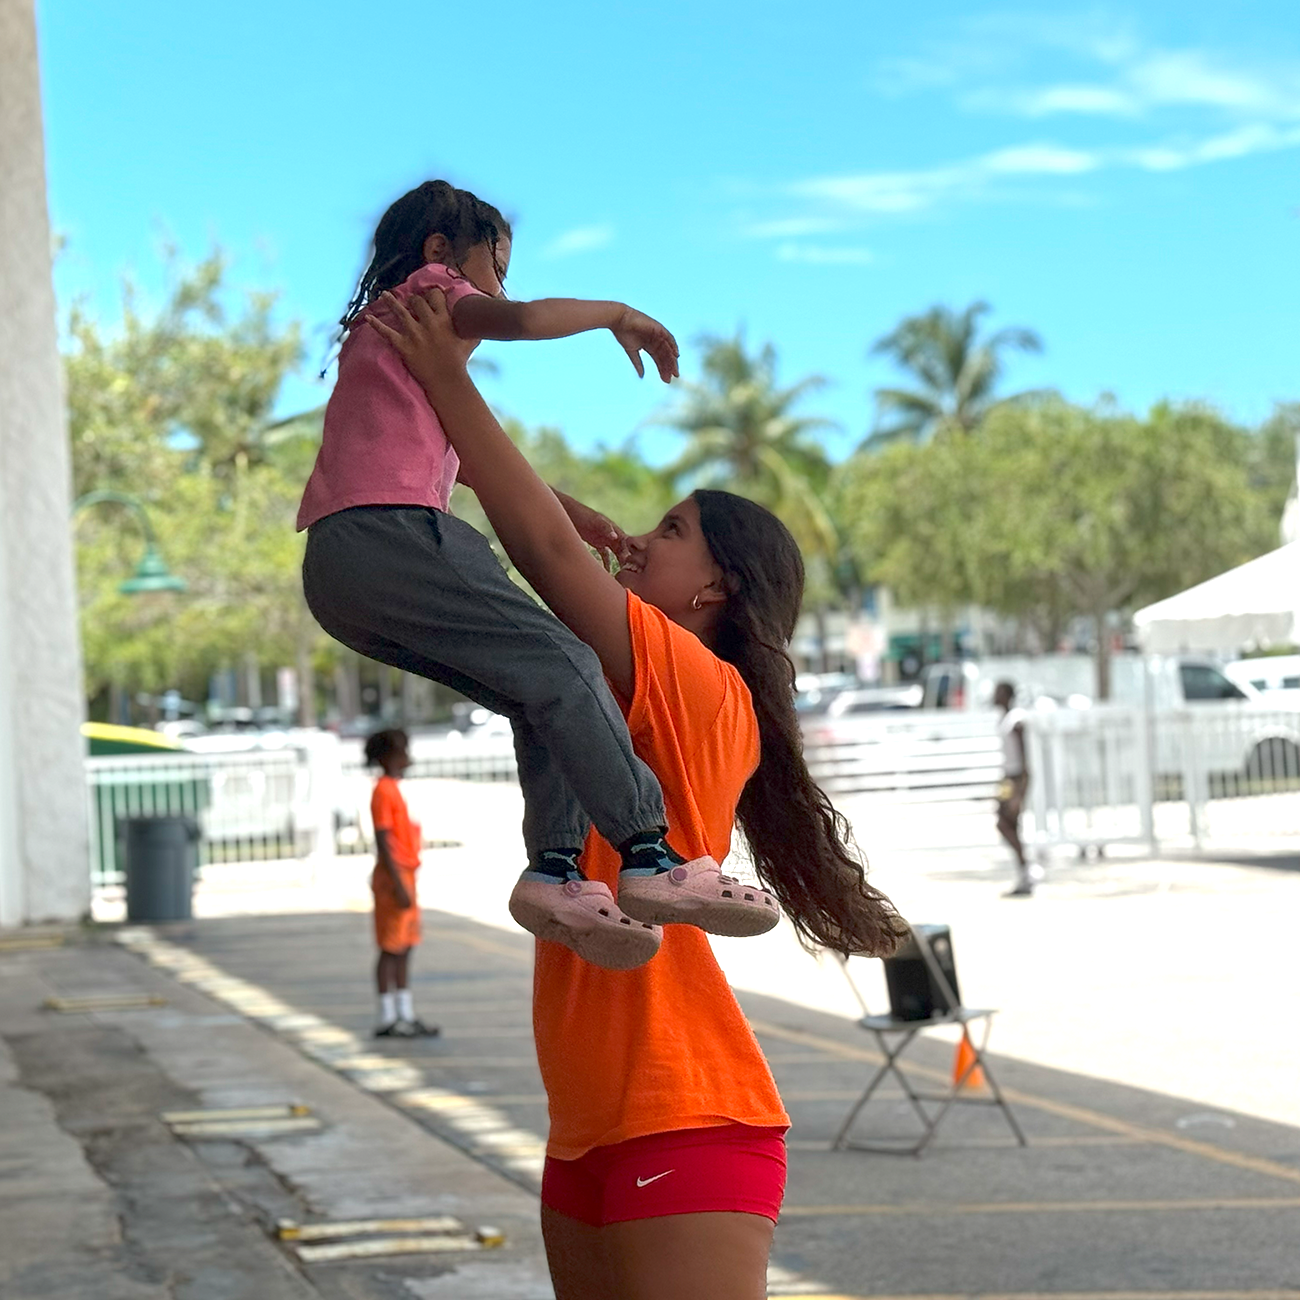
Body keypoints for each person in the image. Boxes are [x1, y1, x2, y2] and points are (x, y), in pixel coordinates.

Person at [369, 286, 907, 1300]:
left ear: (715, 588)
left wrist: (444, 376)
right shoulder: (600, 684)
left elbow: (543, 552)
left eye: (670, 529)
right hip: (586, 1126)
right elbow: (526, 562)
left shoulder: (700, 686)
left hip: (688, 1115)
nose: (639, 541)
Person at [297, 180, 778, 970]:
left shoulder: (384, 346)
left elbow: (470, 465)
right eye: (496, 267)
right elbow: (521, 321)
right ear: (442, 252)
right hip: (395, 537)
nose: (497, 290)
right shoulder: (430, 294)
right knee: (567, 665)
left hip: (338, 571)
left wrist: (576, 513)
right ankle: (650, 853)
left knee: (537, 690)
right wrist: (616, 314)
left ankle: (554, 870)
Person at [364, 728, 438, 1038]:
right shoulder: (383, 790)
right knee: (390, 947)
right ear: (387, 757)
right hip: (393, 877)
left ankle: (404, 1014)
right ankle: (388, 1017)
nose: (407, 756)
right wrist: (397, 882)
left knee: (405, 946)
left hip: (405, 874)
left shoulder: (394, 788)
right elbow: (383, 838)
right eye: (402, 751)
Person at [994, 682, 1040, 896]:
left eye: (998, 692)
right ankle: (1025, 871)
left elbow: (1024, 759)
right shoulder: (1004, 720)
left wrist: (1019, 793)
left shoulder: (1016, 721)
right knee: (1006, 823)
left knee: (1006, 823)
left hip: (1015, 779)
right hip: (1007, 780)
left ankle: (1027, 870)